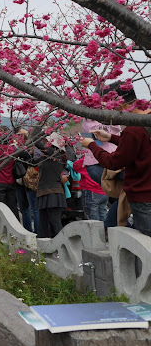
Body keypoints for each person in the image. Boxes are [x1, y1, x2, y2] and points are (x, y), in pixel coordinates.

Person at [80, 95, 151, 236]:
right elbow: (139, 148)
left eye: (115, 108)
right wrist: (112, 138)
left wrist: (92, 145)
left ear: (122, 106)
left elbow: (113, 163)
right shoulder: (141, 127)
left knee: (146, 245)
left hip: (143, 196)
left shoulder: (134, 130)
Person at [35, 134, 67, 238]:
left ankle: (63, 246)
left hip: (53, 193)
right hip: (43, 192)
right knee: (43, 224)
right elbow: (30, 162)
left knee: (55, 223)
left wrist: (31, 135)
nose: (45, 143)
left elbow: (40, 145)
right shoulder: (46, 157)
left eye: (47, 141)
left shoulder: (56, 154)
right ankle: (46, 248)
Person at [73, 156, 108, 223]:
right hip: (103, 191)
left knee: (93, 221)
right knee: (103, 216)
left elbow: (76, 166)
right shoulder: (105, 157)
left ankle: (96, 233)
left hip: (91, 190)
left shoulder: (88, 158)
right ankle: (105, 232)